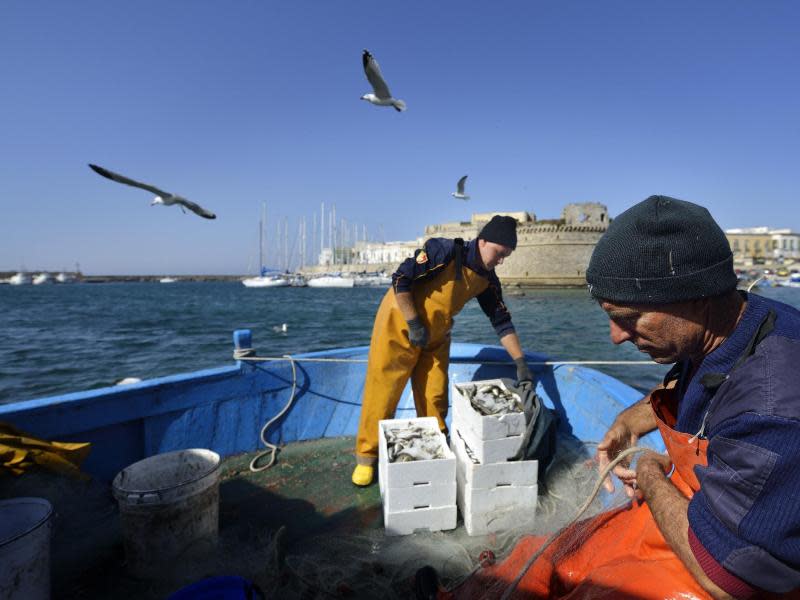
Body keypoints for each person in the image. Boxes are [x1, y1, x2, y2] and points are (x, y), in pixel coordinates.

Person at [447, 195, 800, 599]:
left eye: (628, 319)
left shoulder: (774, 408)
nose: (616, 337)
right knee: (544, 554)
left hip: (720, 567)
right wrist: (633, 419)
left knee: (596, 589)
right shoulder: (736, 323)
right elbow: (699, 381)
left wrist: (650, 474)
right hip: (699, 513)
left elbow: (731, 578)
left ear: (698, 299)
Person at [352, 215, 534, 487]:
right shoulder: (445, 251)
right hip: (399, 324)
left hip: (436, 334)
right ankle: (366, 457)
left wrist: (520, 363)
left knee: (434, 393)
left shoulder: (487, 281)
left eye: (506, 256)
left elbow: (502, 322)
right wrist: (413, 322)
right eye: (499, 253)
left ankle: (435, 448)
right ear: (483, 241)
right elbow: (401, 278)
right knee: (384, 391)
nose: (501, 260)